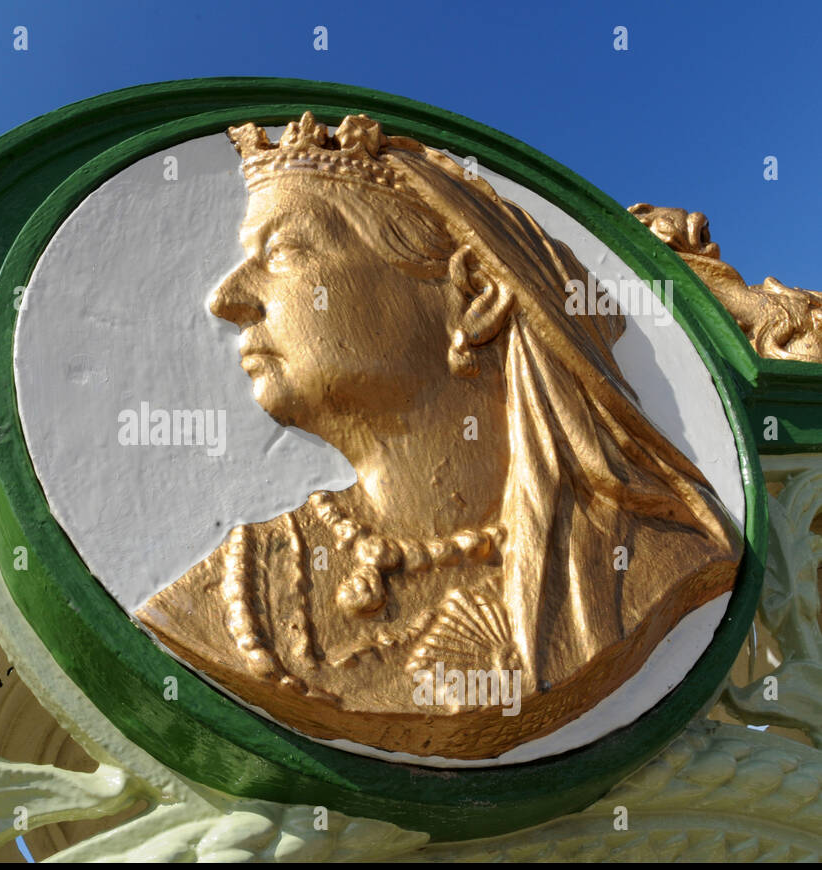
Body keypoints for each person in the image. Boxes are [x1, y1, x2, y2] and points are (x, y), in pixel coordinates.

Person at [135, 113, 742, 760]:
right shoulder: (233, 596)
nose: (228, 297)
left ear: (474, 293)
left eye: (282, 253)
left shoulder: (663, 557)